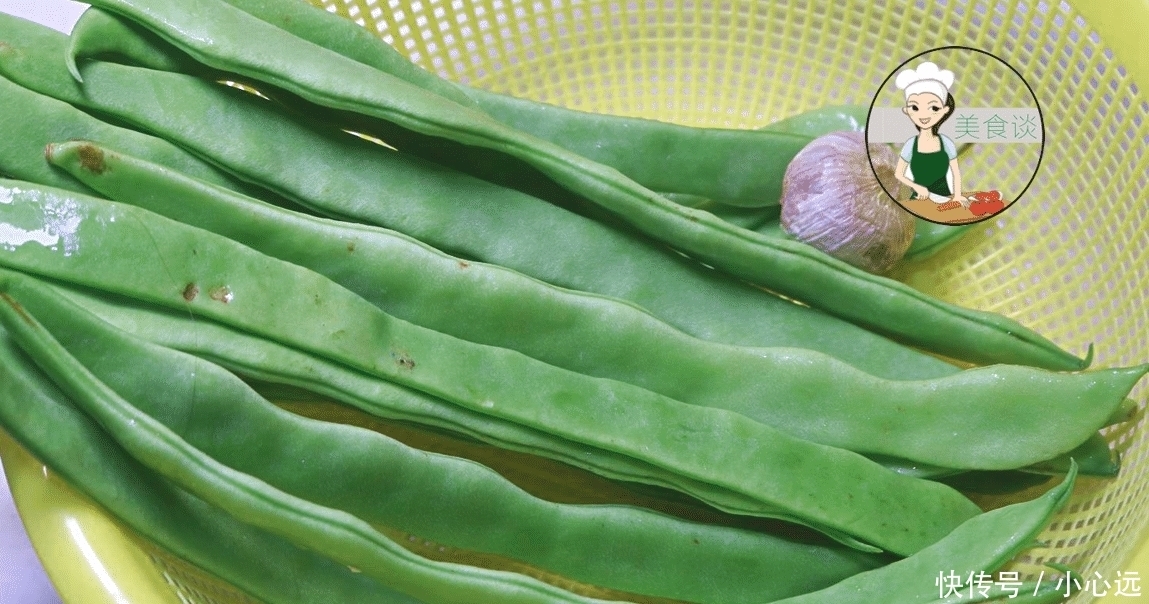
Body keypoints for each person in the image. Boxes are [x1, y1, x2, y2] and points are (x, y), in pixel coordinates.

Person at [893, 61, 968, 207]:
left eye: (933, 107)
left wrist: (958, 195)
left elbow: (955, 173)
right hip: (915, 200)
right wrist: (916, 187)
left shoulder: (946, 143)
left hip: (943, 199)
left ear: (944, 110)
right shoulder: (911, 144)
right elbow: (898, 174)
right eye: (915, 107)